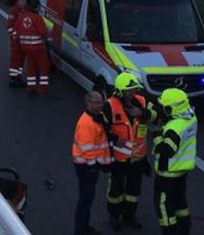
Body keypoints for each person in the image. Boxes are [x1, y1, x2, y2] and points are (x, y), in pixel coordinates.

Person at [103, 72, 156, 230]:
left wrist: (142, 113)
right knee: (116, 191)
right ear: (120, 91)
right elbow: (102, 129)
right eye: (129, 90)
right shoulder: (110, 106)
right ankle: (114, 216)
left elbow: (156, 113)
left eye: (134, 89)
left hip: (137, 158)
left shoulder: (141, 101)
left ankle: (129, 216)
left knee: (133, 191)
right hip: (118, 159)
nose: (133, 93)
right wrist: (113, 139)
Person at [152, 88, 197, 235]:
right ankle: (184, 229)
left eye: (163, 107)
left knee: (164, 208)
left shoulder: (174, 128)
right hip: (181, 171)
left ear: (170, 108)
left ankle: (170, 231)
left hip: (168, 174)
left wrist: (157, 136)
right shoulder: (190, 117)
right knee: (180, 204)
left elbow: (166, 149)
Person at [72, 91, 113, 235]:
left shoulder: (95, 119)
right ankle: (81, 230)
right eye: (97, 103)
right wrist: (95, 166)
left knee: (87, 199)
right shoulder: (86, 123)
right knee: (85, 200)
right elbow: (87, 149)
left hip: (89, 165)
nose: (101, 105)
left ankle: (84, 227)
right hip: (86, 167)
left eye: (101, 102)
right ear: (89, 104)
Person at [16, 0, 50, 95]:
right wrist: (49, 34)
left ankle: (30, 87)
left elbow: (17, 29)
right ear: (36, 7)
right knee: (44, 66)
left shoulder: (22, 16)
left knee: (30, 66)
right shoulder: (37, 18)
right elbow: (43, 32)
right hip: (37, 47)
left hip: (25, 46)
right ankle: (42, 89)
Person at [6, 0, 28, 88]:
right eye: (22, 1)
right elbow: (10, 27)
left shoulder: (23, 11)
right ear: (17, 1)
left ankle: (18, 76)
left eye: (25, 1)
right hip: (16, 41)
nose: (24, 3)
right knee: (15, 60)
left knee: (21, 60)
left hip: (22, 41)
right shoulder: (14, 11)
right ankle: (12, 78)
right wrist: (16, 36)